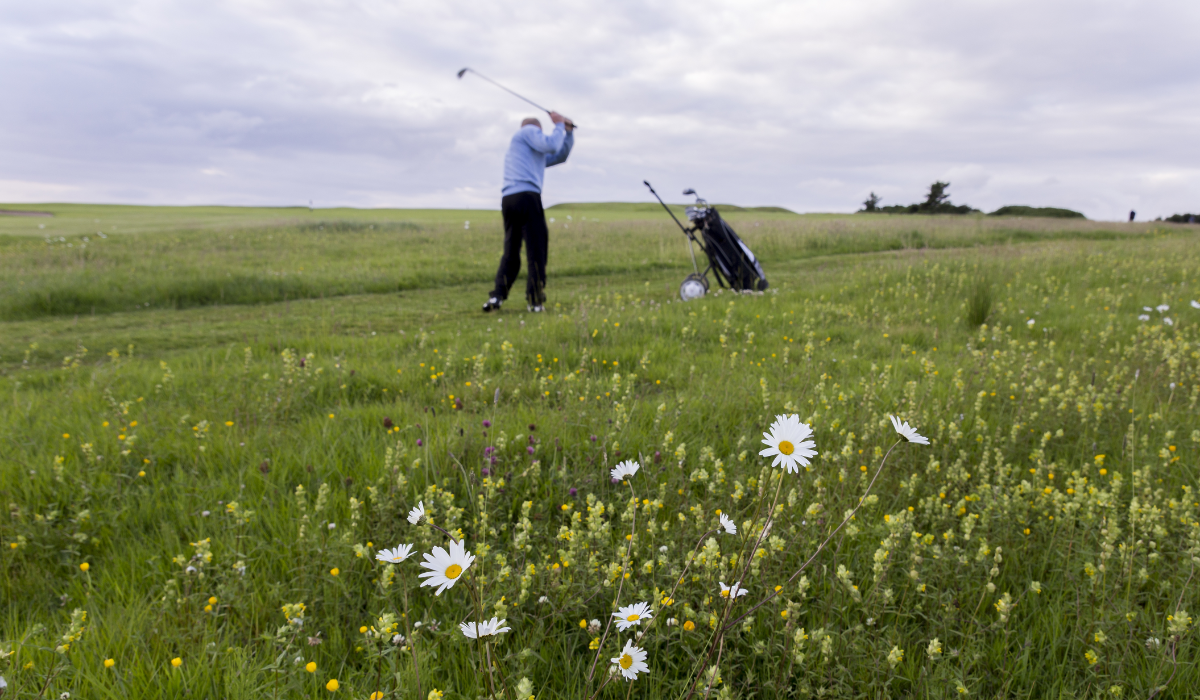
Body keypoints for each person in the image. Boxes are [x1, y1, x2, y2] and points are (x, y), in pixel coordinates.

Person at [483, 112, 574, 313]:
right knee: (536, 250)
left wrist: (568, 133)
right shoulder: (527, 131)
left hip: (509, 200)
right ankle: (535, 301)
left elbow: (559, 155)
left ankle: (496, 297)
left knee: (511, 250)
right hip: (527, 197)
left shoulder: (526, 153)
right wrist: (559, 124)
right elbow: (551, 145)